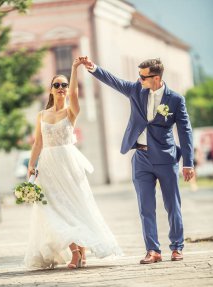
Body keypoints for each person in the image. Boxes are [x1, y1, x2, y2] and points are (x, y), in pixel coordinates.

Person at [81, 57, 194, 264]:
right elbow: (114, 81)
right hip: (141, 158)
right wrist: (93, 68)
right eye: (138, 75)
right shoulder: (136, 90)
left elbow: (185, 132)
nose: (139, 79)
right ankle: (153, 250)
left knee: (172, 205)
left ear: (156, 78)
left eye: (143, 76)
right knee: (145, 207)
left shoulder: (176, 100)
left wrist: (188, 163)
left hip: (166, 158)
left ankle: (177, 247)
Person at [24, 58, 122, 270]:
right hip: (48, 166)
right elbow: (38, 143)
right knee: (55, 207)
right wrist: (31, 165)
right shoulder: (41, 115)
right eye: (56, 85)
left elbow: (75, 95)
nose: (61, 88)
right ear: (50, 90)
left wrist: (75, 68)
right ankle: (75, 251)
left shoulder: (70, 111)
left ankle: (81, 251)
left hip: (68, 164)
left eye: (64, 85)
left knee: (74, 206)